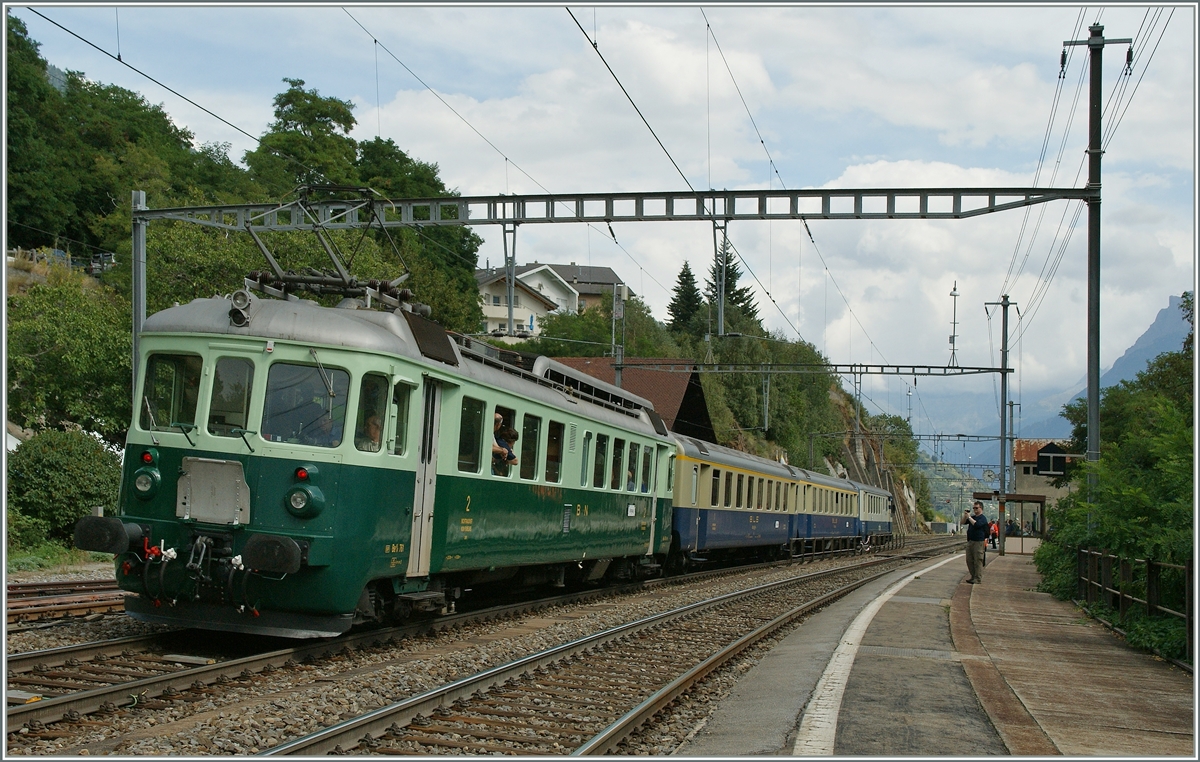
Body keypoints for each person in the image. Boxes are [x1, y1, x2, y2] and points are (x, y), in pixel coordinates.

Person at [962, 501, 989, 584]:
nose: (975, 510)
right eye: (974, 508)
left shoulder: (982, 518)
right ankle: (973, 576)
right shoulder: (972, 517)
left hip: (979, 542)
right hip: (971, 541)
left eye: (976, 508)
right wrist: (965, 516)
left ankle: (978, 578)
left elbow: (976, 525)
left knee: (978, 560)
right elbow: (962, 522)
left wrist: (969, 518)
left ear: (981, 508)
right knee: (969, 560)